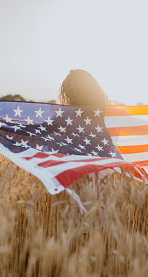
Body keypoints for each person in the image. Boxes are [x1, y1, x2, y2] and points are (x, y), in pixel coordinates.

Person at [59, 69, 113, 225]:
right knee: (104, 220)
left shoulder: (64, 117)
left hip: (78, 175)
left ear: (68, 93)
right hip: (105, 174)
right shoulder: (110, 113)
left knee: (80, 223)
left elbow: (33, 130)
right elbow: (143, 127)